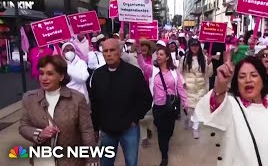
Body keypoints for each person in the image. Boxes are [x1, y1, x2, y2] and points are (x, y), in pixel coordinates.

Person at [195, 56, 268, 166]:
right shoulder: (231, 105)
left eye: (254, 75)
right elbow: (211, 112)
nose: (248, 80)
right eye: (242, 76)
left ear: (262, 79)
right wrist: (220, 86)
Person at [19, 55, 98, 166]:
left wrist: (92, 158)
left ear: (61, 76)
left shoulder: (77, 98)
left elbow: (87, 130)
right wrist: (39, 134)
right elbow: (23, 126)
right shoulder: (30, 99)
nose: (44, 78)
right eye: (41, 73)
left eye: (50, 74)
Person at [90, 38, 152, 166]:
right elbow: (94, 104)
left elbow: (146, 99)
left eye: (112, 50)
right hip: (107, 130)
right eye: (105, 51)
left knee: (131, 162)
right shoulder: (97, 75)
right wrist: (95, 128)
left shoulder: (133, 73)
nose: (108, 54)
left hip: (129, 129)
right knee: (106, 163)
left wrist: (134, 119)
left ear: (119, 52)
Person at [137, 46, 188, 166]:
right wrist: (139, 52)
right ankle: (164, 155)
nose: (158, 56)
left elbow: (180, 88)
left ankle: (166, 140)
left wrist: (185, 102)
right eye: (157, 54)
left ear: (167, 57)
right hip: (158, 107)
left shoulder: (174, 73)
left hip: (171, 106)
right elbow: (142, 65)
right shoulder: (152, 70)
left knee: (169, 131)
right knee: (161, 131)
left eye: (161, 54)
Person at [178, 38, 213, 139]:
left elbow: (209, 74)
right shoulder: (184, 58)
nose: (195, 48)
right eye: (192, 45)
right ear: (189, 46)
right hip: (188, 88)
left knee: (197, 109)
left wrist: (210, 63)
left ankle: (195, 128)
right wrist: (183, 83)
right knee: (189, 109)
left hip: (200, 88)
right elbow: (179, 73)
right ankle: (188, 119)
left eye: (196, 45)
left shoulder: (205, 58)